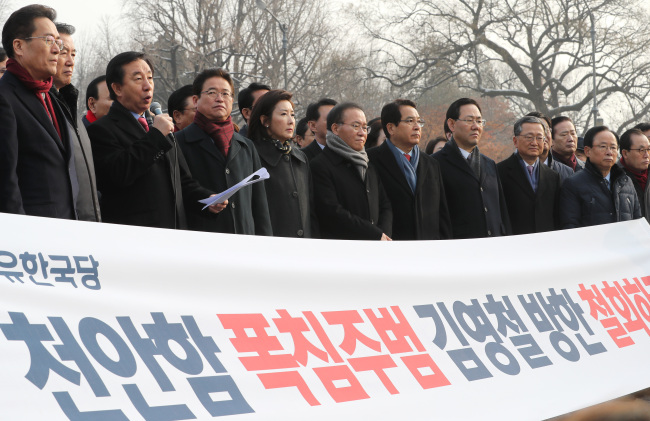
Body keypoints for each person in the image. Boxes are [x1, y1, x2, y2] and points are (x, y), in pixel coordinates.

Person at [88, 51, 224, 229]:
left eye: (150, 78)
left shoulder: (158, 125)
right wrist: (156, 136)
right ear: (117, 88)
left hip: (171, 234)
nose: (148, 86)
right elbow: (118, 175)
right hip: (133, 237)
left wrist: (207, 200)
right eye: (138, 79)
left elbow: (182, 182)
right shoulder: (101, 129)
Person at [0, 5, 80, 219]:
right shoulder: (5, 97)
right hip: (32, 239)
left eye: (58, 42)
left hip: (66, 231)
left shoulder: (51, 96)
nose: (57, 49)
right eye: (48, 41)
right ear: (18, 46)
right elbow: (5, 181)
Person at [176, 68, 272, 235]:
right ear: (195, 100)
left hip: (244, 240)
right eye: (212, 92)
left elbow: (260, 206)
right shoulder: (179, 142)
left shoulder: (246, 146)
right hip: (201, 240)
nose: (220, 99)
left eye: (226, 94)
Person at [368, 99, 451, 240]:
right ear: (391, 128)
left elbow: (442, 213)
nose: (417, 126)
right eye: (410, 121)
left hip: (428, 248)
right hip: (391, 247)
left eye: (419, 121)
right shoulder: (371, 160)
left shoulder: (431, 164)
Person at [311, 102, 392, 240]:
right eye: (355, 126)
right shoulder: (321, 165)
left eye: (365, 127)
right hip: (342, 249)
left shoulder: (367, 164)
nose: (362, 133)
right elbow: (331, 212)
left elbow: (385, 206)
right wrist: (374, 234)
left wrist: (383, 234)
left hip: (376, 246)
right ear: (335, 128)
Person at [432, 98, 511, 238]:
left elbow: (502, 213)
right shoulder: (435, 164)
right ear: (451, 124)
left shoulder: (489, 164)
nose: (476, 126)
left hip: (495, 249)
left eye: (479, 121)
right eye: (469, 120)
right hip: (460, 251)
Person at [247, 90, 317, 238]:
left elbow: (311, 211)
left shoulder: (300, 158)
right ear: (265, 120)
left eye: (292, 114)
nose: (291, 121)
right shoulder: (250, 155)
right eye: (283, 114)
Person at [50, 22, 101, 222]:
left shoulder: (69, 105)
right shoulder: (41, 109)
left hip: (86, 227)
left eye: (73, 54)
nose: (70, 61)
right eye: (64, 53)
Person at [560, 126, 641, 228]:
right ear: (587, 151)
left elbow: (637, 221)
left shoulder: (626, 182)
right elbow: (570, 225)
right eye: (603, 146)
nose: (609, 152)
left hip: (623, 243)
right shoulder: (573, 184)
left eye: (613, 147)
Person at [497, 116, 561, 234]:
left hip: (545, 243)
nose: (534, 142)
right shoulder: (499, 172)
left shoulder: (553, 176)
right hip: (514, 242)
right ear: (515, 141)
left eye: (539, 137)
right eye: (529, 137)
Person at [526, 111, 573, 182]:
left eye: (546, 130)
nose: (543, 136)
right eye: (538, 131)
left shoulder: (566, 172)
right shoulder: (507, 171)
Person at [618, 128, 650, 221]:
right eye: (641, 150)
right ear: (625, 153)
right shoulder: (614, 177)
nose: (646, 155)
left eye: (648, 149)